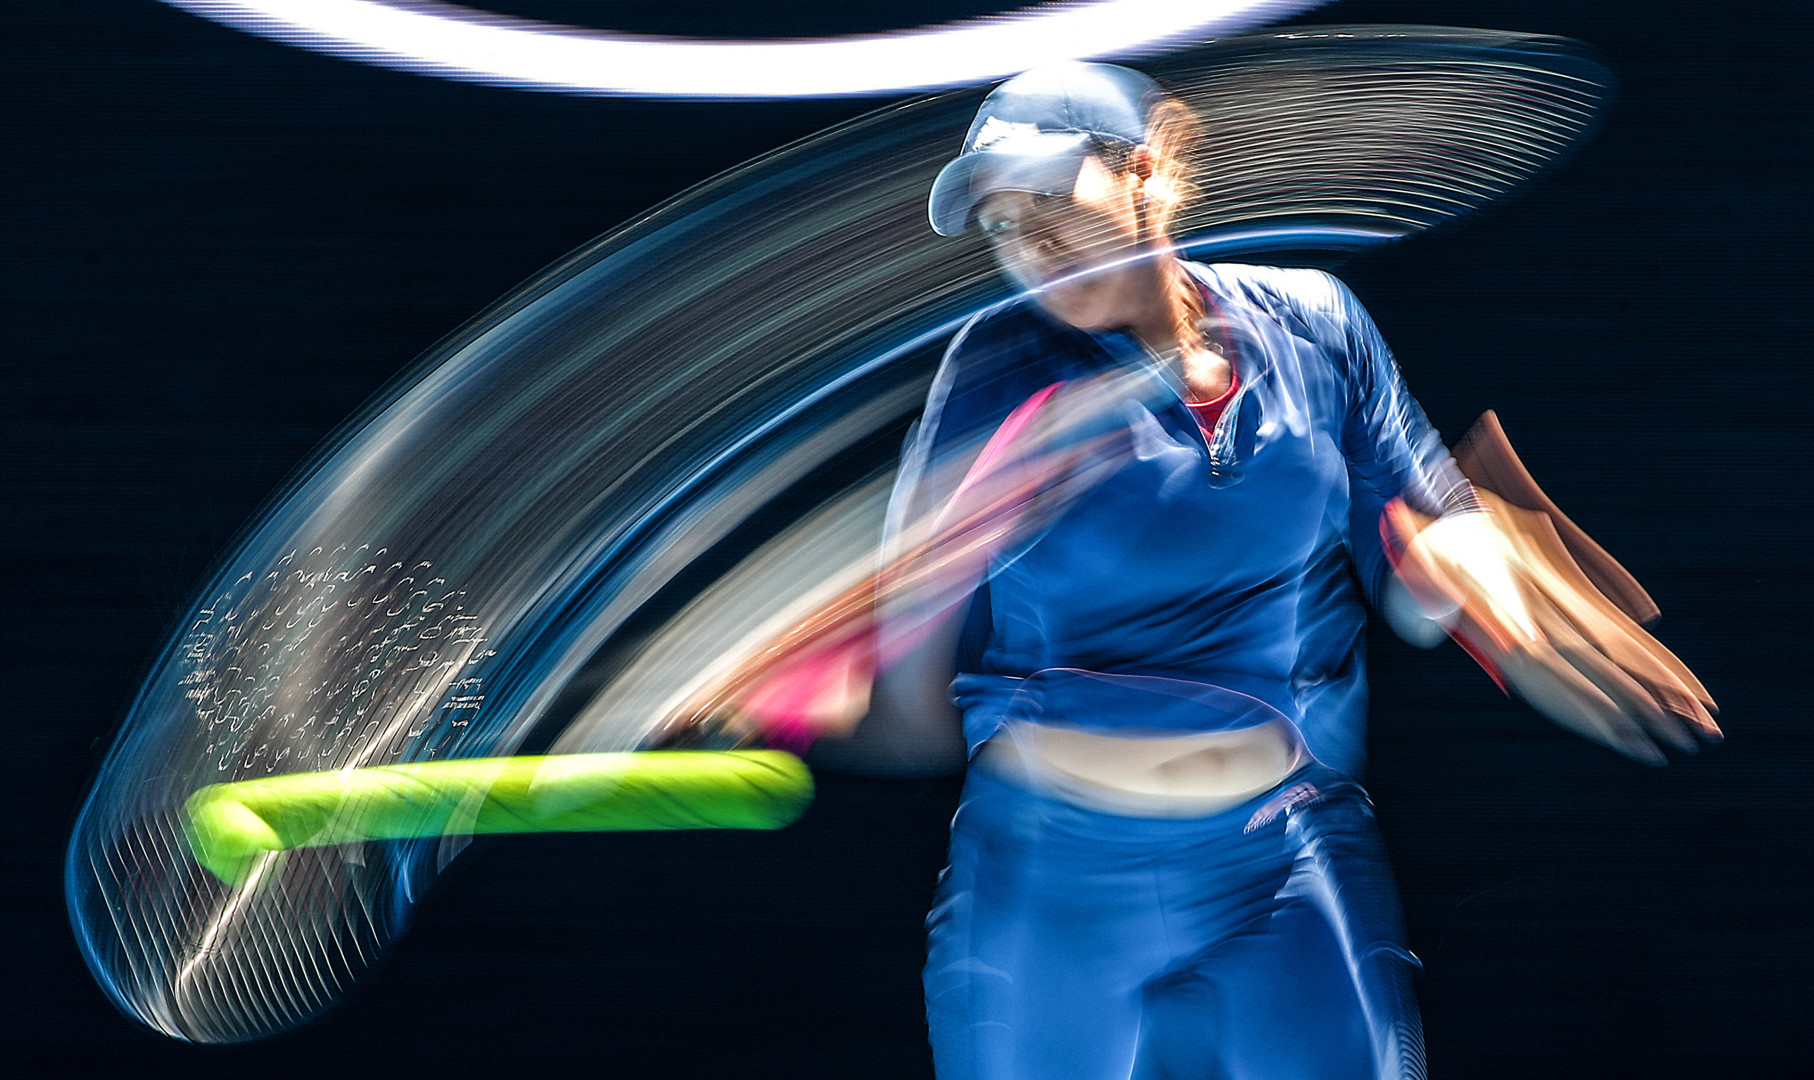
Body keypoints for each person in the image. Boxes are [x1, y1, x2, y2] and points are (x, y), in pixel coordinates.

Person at [663, 60, 1717, 1080]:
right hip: (1046, 895)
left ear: (1146, 173)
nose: (1028, 244)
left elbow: (1420, 539)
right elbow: (905, 677)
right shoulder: (992, 372)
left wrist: (1488, 586)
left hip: (1287, 869)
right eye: (998, 224)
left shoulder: (1315, 324)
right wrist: (774, 695)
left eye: (1049, 200)